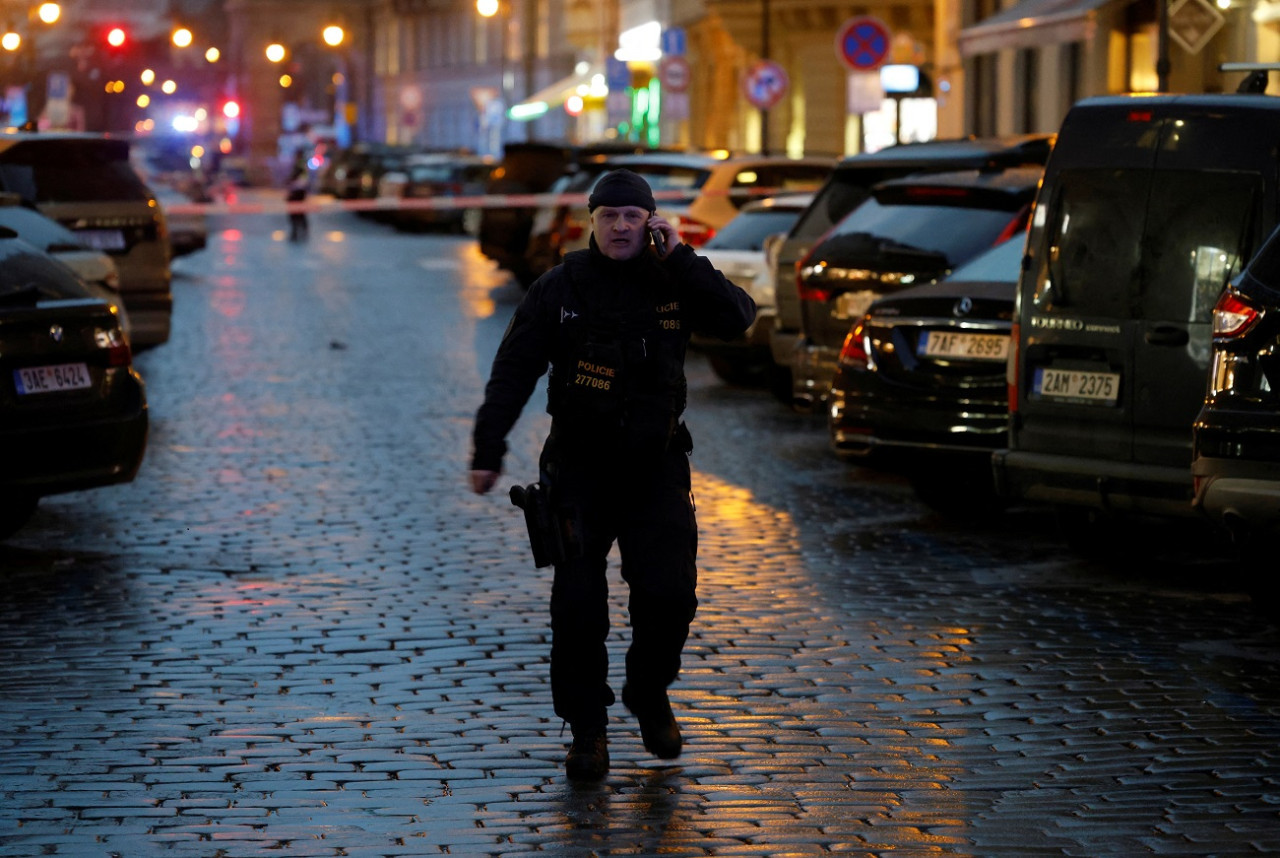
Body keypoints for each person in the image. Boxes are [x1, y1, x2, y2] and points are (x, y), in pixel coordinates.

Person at [469, 169, 756, 780]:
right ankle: (587, 731)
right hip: (578, 468)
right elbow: (513, 369)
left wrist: (681, 256)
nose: (621, 226)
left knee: (670, 595)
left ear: (650, 222)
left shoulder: (673, 279)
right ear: (591, 222)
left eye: (633, 216)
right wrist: (488, 448)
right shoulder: (561, 287)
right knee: (577, 606)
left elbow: (737, 319)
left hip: (656, 467)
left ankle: (648, 691)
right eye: (609, 216)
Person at [286, 153, 310, 242]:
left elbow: (296, 174)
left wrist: (290, 180)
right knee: (299, 212)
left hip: (298, 192)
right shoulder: (302, 164)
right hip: (299, 191)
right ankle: (300, 231)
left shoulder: (300, 164)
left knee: (296, 213)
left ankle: (296, 232)